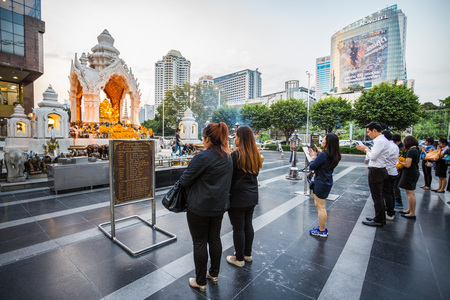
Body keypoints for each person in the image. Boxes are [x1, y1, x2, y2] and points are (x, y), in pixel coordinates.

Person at [180, 122, 233, 292]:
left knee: (200, 242)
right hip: (218, 206)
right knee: (215, 238)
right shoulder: (227, 156)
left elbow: (184, 180)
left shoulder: (203, 157)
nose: (202, 141)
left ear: (208, 139)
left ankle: (200, 281)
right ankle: (214, 274)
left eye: (203, 138)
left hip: (199, 207)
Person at [226, 126, 264, 267]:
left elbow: (229, 176)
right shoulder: (256, 154)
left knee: (238, 228)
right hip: (252, 196)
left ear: (241, 138)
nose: (234, 138)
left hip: (238, 197)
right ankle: (247, 254)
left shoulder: (235, 155)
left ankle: (239, 258)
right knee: (248, 224)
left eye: (235, 136)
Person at [356, 122, 390, 227]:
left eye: (368, 132)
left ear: (374, 130)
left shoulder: (379, 141)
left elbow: (373, 157)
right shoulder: (383, 140)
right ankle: (379, 217)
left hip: (376, 171)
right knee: (378, 195)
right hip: (380, 170)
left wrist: (365, 149)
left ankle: (379, 220)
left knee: (377, 196)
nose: (368, 134)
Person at [308, 133, 341, 237]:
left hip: (321, 182)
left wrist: (312, 157)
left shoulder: (323, 155)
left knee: (321, 207)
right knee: (319, 205)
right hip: (326, 181)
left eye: (324, 140)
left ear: (328, 142)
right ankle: (321, 227)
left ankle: (322, 230)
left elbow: (312, 166)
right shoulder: (333, 154)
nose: (322, 141)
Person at [397, 136, 420, 219]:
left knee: (410, 193)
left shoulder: (411, 151)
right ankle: (409, 210)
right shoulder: (416, 149)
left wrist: (400, 162)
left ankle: (412, 213)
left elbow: (407, 164)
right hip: (413, 172)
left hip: (410, 173)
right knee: (409, 193)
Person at [381, 130, 399, 221]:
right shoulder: (394, 146)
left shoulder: (389, 146)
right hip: (391, 171)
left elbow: (384, 159)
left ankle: (390, 212)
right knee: (389, 193)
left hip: (388, 172)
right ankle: (389, 211)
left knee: (388, 194)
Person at [392, 134, 404, 209]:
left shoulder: (402, 148)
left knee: (395, 185)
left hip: (398, 168)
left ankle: (398, 201)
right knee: (394, 185)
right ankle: (397, 200)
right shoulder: (398, 146)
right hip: (396, 168)